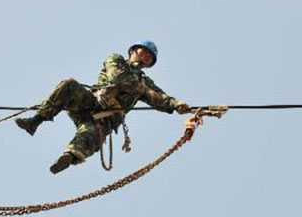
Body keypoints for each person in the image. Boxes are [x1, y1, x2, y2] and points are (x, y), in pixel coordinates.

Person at [15, 40, 191, 174]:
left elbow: (160, 97)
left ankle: (69, 156)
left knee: (89, 135)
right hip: (90, 103)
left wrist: (176, 104)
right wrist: (143, 90)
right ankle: (36, 121)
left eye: (149, 57)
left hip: (106, 118)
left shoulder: (145, 82)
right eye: (143, 52)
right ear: (132, 51)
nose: (145, 57)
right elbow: (118, 78)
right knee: (69, 85)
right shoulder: (116, 60)